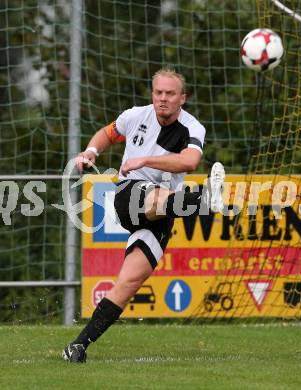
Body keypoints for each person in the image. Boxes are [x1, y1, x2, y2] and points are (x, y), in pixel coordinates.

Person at [62, 68, 225, 363]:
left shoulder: (192, 127)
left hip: (163, 213)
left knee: (128, 283)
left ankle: (77, 345)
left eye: (170, 94)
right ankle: (204, 199)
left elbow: (190, 161)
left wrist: (146, 159)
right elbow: (107, 134)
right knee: (153, 197)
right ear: (153, 94)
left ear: (182, 98)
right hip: (130, 193)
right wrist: (90, 152)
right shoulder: (134, 116)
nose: (163, 99)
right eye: (158, 92)